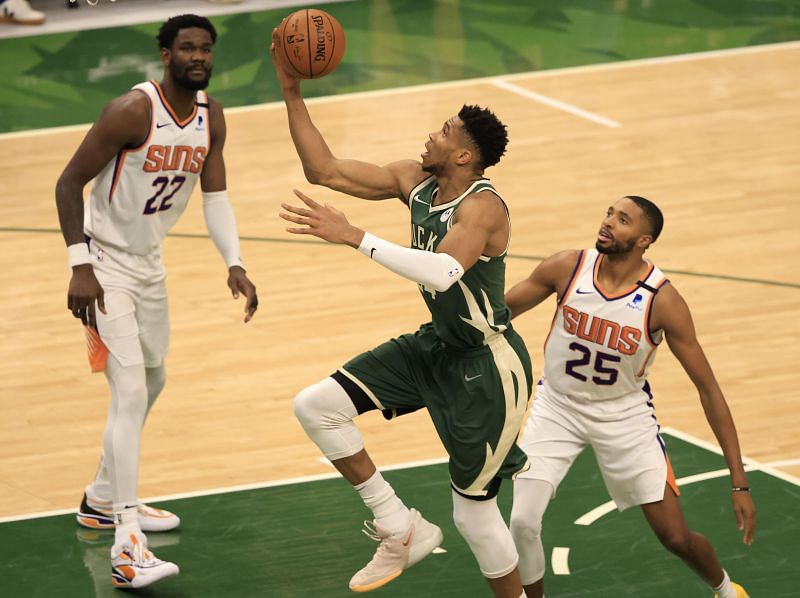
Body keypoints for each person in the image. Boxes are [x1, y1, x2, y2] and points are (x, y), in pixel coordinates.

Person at [272, 31, 532, 598]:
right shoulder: (415, 182)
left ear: (464, 155)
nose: (430, 135)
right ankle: (399, 526)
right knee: (317, 407)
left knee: (473, 516)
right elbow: (325, 170)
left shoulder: (483, 207)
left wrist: (353, 235)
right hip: (435, 346)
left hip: (487, 371)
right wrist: (291, 88)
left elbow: (443, 272)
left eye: (442, 132)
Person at [55, 14, 258, 589]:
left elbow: (214, 195)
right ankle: (126, 541)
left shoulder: (211, 117)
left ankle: (102, 496)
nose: (199, 56)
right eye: (187, 48)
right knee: (130, 389)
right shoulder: (133, 111)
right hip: (104, 266)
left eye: (206, 49)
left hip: (149, 266)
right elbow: (68, 182)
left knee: (156, 376)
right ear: (165, 55)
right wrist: (79, 266)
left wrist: (235, 262)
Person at [505, 196, 756, 598]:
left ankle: (726, 589)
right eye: (609, 214)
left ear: (644, 239)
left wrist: (739, 482)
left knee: (675, 537)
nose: (608, 223)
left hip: (623, 416)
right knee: (521, 522)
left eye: (622, 220)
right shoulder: (567, 267)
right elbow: (498, 314)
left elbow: (708, 389)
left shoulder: (663, 301)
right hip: (557, 407)